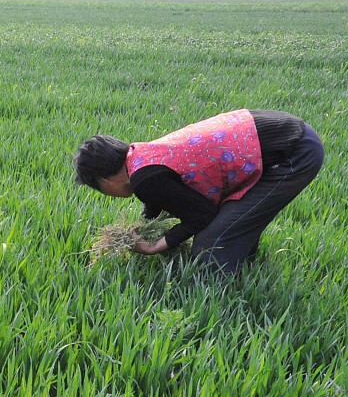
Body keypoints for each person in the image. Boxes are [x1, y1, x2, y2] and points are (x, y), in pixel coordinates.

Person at [73, 109, 324, 274]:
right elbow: (161, 199)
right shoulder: (140, 158)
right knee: (232, 220)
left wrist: (157, 246)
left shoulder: (143, 179)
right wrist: (146, 226)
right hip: (287, 137)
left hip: (294, 153)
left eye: (98, 188)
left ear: (105, 180)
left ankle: (224, 306)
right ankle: (246, 267)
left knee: (210, 245)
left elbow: (202, 214)